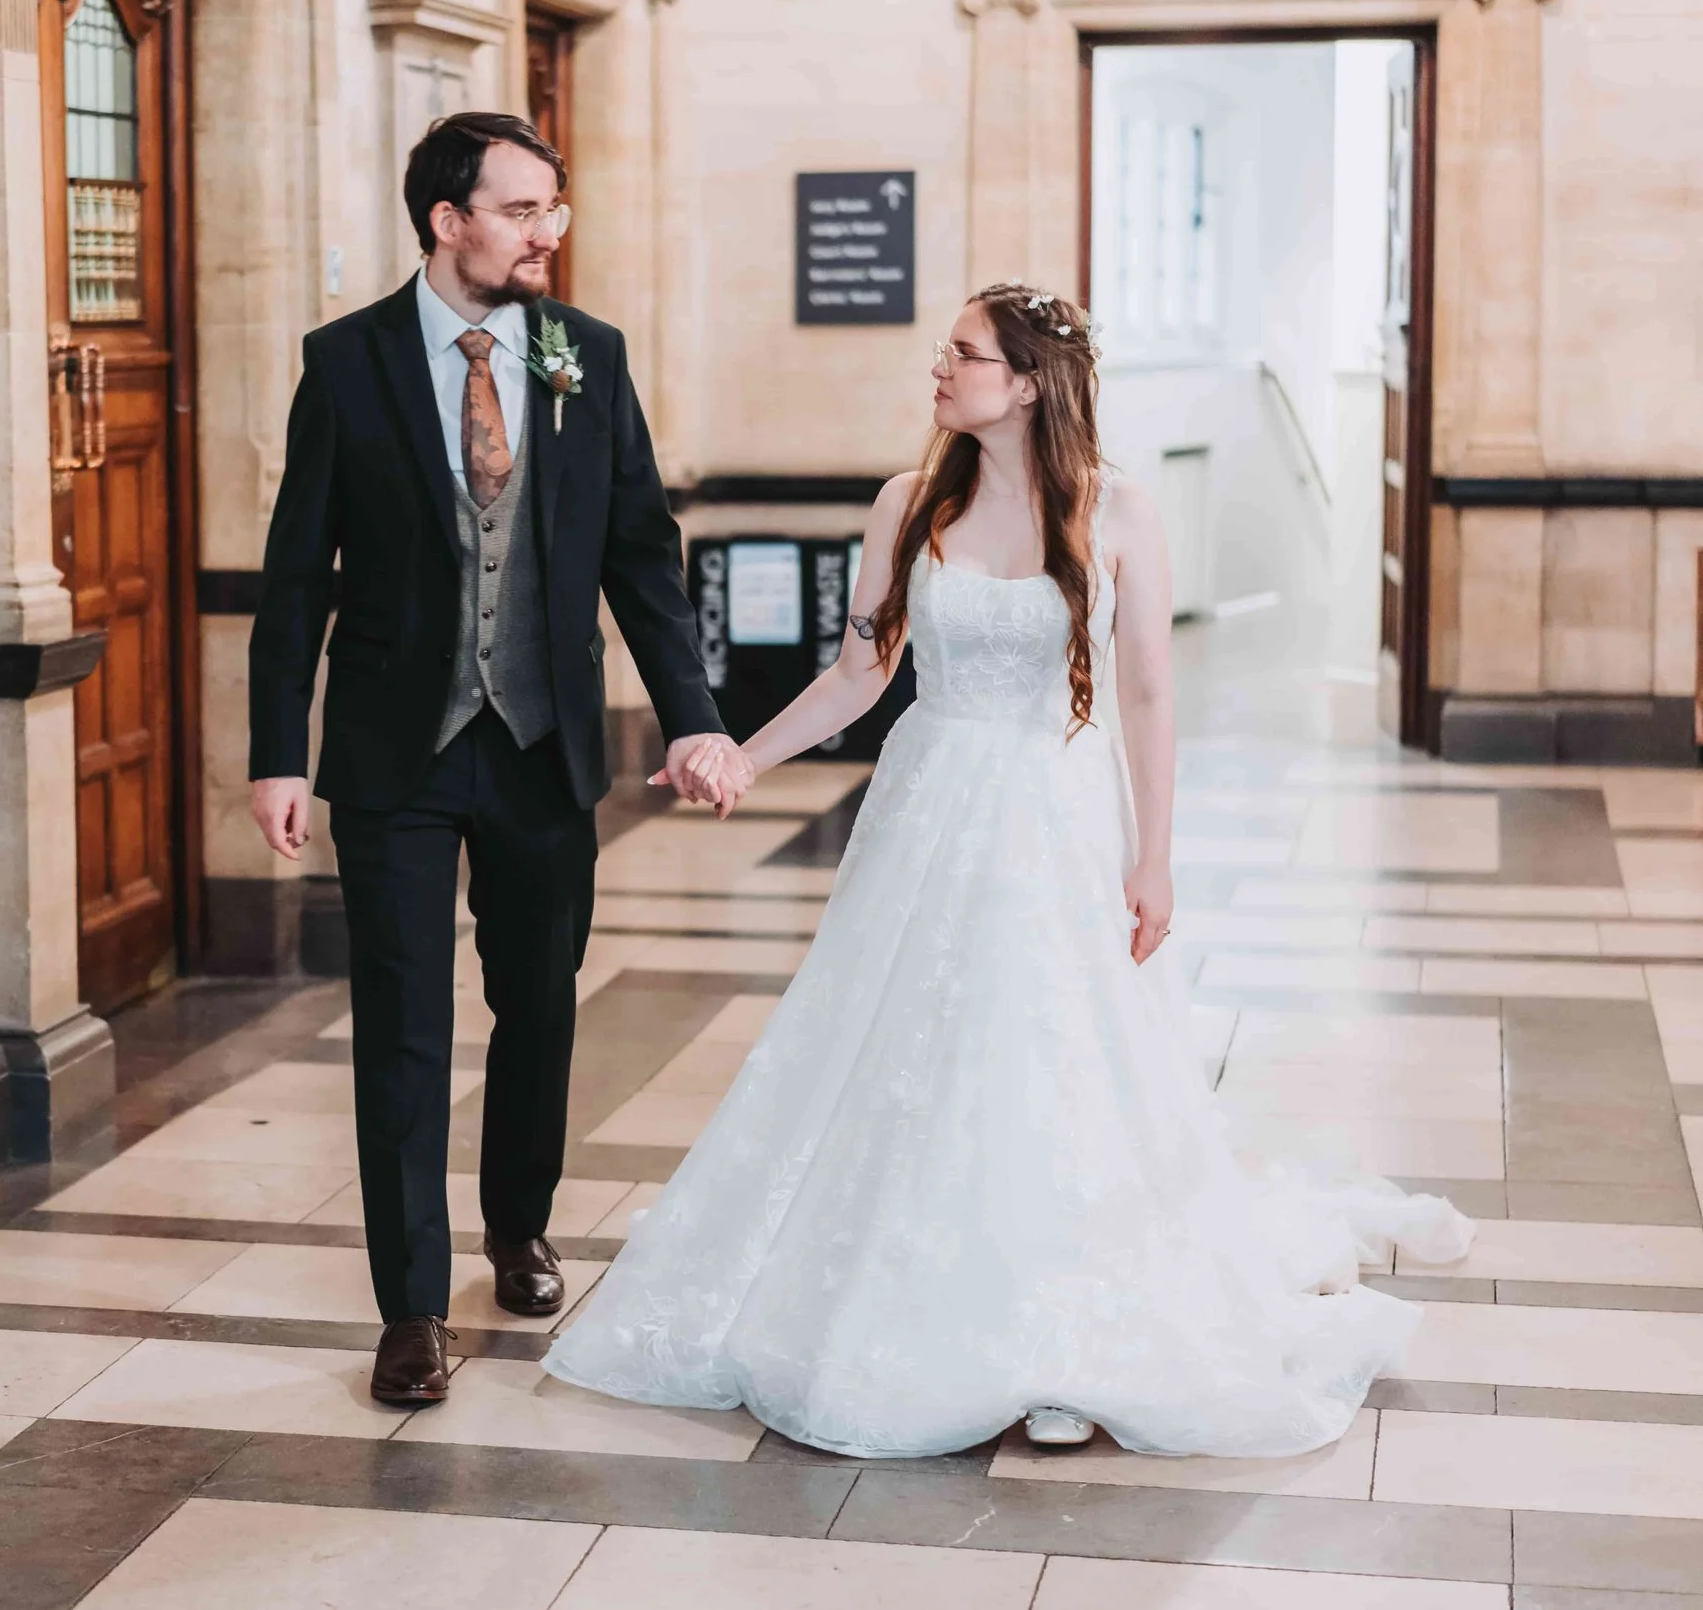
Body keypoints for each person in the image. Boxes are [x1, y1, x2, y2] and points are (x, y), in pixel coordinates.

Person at [543, 283, 1472, 1458]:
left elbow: (1144, 691)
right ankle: (906, 1291)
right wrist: (741, 752)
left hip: (1056, 809)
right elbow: (856, 675)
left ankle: (1065, 1329)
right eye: (946, 351)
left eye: (966, 354)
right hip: (929, 804)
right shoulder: (906, 502)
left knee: (1050, 1052)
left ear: (1028, 382)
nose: (940, 368)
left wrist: (1155, 859)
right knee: (907, 1050)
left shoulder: (1116, 509)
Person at [246, 113, 744, 1406]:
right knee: (402, 1028)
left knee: (539, 1001)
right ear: (446, 219)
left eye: (553, 209)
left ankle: (517, 1223)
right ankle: (409, 1305)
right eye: (521, 211)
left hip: (539, 741)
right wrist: (275, 750)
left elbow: (643, 549)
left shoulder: (588, 354)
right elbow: (297, 576)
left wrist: (689, 711)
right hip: (393, 751)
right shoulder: (345, 363)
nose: (546, 233)